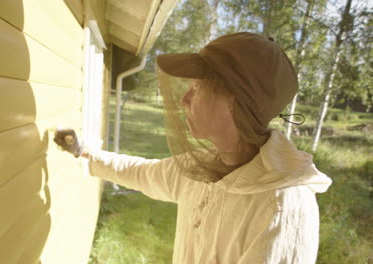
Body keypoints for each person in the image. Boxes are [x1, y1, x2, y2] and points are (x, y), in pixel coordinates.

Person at [54, 32, 332, 264]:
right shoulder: (204, 166)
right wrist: (84, 151)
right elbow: (142, 172)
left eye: (197, 88)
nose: (185, 99)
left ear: (235, 100)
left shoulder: (284, 207)